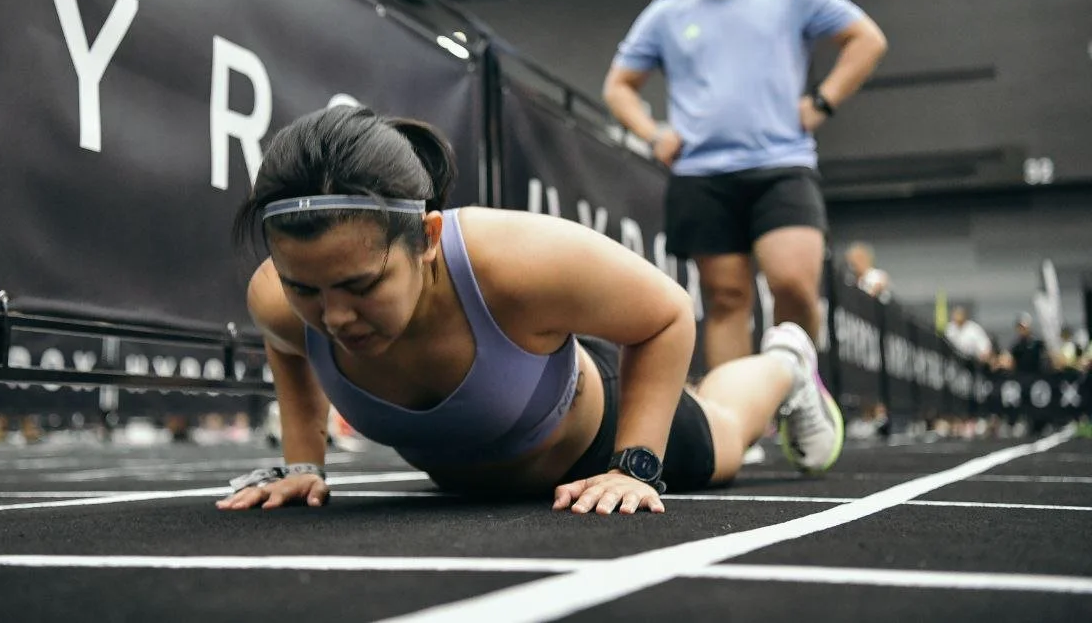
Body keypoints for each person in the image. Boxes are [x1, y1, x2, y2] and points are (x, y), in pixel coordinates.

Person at [215, 106, 844, 516]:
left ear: (428, 239)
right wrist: (304, 463)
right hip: (472, 476)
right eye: (308, 290)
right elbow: (289, 345)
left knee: (726, 429)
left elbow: (668, 314)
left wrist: (634, 467)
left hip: (598, 430)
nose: (336, 318)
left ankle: (787, 361)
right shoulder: (277, 299)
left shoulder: (515, 261)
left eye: (360, 285)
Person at [602, 0, 888, 372]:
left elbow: (867, 39)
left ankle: (798, 390)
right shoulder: (666, 15)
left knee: (794, 285)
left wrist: (822, 102)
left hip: (782, 164)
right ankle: (738, 425)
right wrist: (654, 134)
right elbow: (619, 87)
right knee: (727, 299)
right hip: (701, 175)